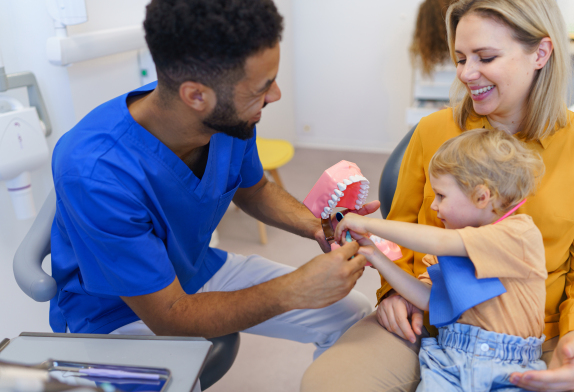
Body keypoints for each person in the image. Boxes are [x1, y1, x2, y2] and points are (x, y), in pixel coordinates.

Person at [50, 0, 374, 368]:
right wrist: (295, 290)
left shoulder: (227, 119)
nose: (275, 96)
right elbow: (169, 316)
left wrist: (322, 227)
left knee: (356, 316)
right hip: (118, 313)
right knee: (181, 384)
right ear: (196, 96)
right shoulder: (95, 172)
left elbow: (255, 190)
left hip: (195, 268)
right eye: (261, 88)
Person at [301, 0, 574, 392]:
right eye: (460, 58)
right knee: (328, 387)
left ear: (541, 53)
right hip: (430, 321)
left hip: (540, 336)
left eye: (486, 57)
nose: (466, 74)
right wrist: (393, 292)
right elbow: (404, 228)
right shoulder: (433, 131)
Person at [336, 128, 549, 392]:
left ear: (482, 197)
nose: (433, 206)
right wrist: (374, 255)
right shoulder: (447, 247)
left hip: (514, 371)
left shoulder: (519, 234)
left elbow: (437, 242)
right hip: (449, 363)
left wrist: (368, 223)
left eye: (441, 196)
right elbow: (427, 299)